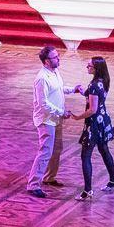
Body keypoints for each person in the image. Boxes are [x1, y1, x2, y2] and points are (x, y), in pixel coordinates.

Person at [27, 45, 75, 198]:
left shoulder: (55, 72)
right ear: (47, 61)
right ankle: (33, 184)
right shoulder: (41, 79)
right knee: (45, 151)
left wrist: (73, 89)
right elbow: (43, 104)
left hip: (56, 118)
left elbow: (59, 88)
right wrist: (62, 112)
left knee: (57, 149)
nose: (58, 58)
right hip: (46, 120)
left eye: (57, 55)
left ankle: (49, 177)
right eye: (55, 57)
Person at [69, 57, 114, 201]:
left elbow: (92, 109)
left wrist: (77, 117)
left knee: (85, 156)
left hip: (94, 125)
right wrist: (83, 91)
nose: (87, 67)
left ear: (96, 69)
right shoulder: (104, 81)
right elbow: (97, 98)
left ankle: (87, 190)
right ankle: (113, 179)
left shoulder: (94, 86)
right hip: (103, 121)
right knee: (104, 150)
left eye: (89, 65)